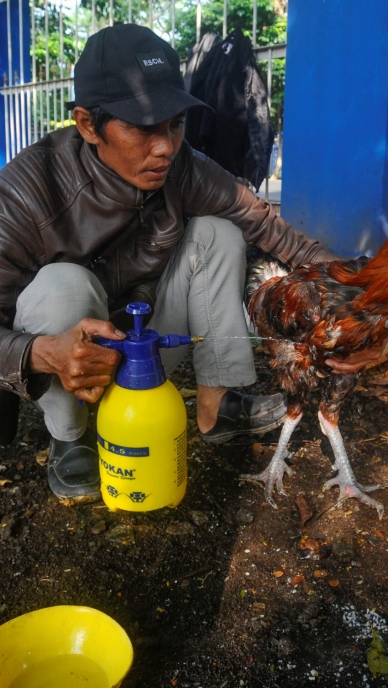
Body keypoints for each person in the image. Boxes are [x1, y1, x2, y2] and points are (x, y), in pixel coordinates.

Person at [0, 23, 339, 503]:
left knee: (219, 231)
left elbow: (269, 227)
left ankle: (215, 405)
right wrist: (44, 353)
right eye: (142, 128)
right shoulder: (27, 191)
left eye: (175, 124)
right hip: (67, 361)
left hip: (149, 340)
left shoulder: (183, 169)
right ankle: (69, 437)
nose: (165, 147)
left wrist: (363, 292)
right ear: (87, 125)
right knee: (63, 285)